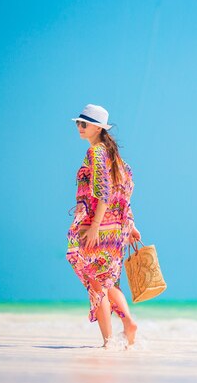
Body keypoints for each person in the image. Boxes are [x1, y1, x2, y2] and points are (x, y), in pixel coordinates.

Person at [66, 104, 141, 348]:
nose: (80, 127)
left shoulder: (96, 153)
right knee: (109, 283)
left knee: (97, 285)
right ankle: (128, 321)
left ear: (98, 128)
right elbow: (124, 192)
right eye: (78, 123)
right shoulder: (116, 158)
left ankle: (108, 343)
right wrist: (130, 225)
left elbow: (104, 191)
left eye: (84, 124)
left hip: (96, 229)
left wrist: (95, 225)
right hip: (115, 231)